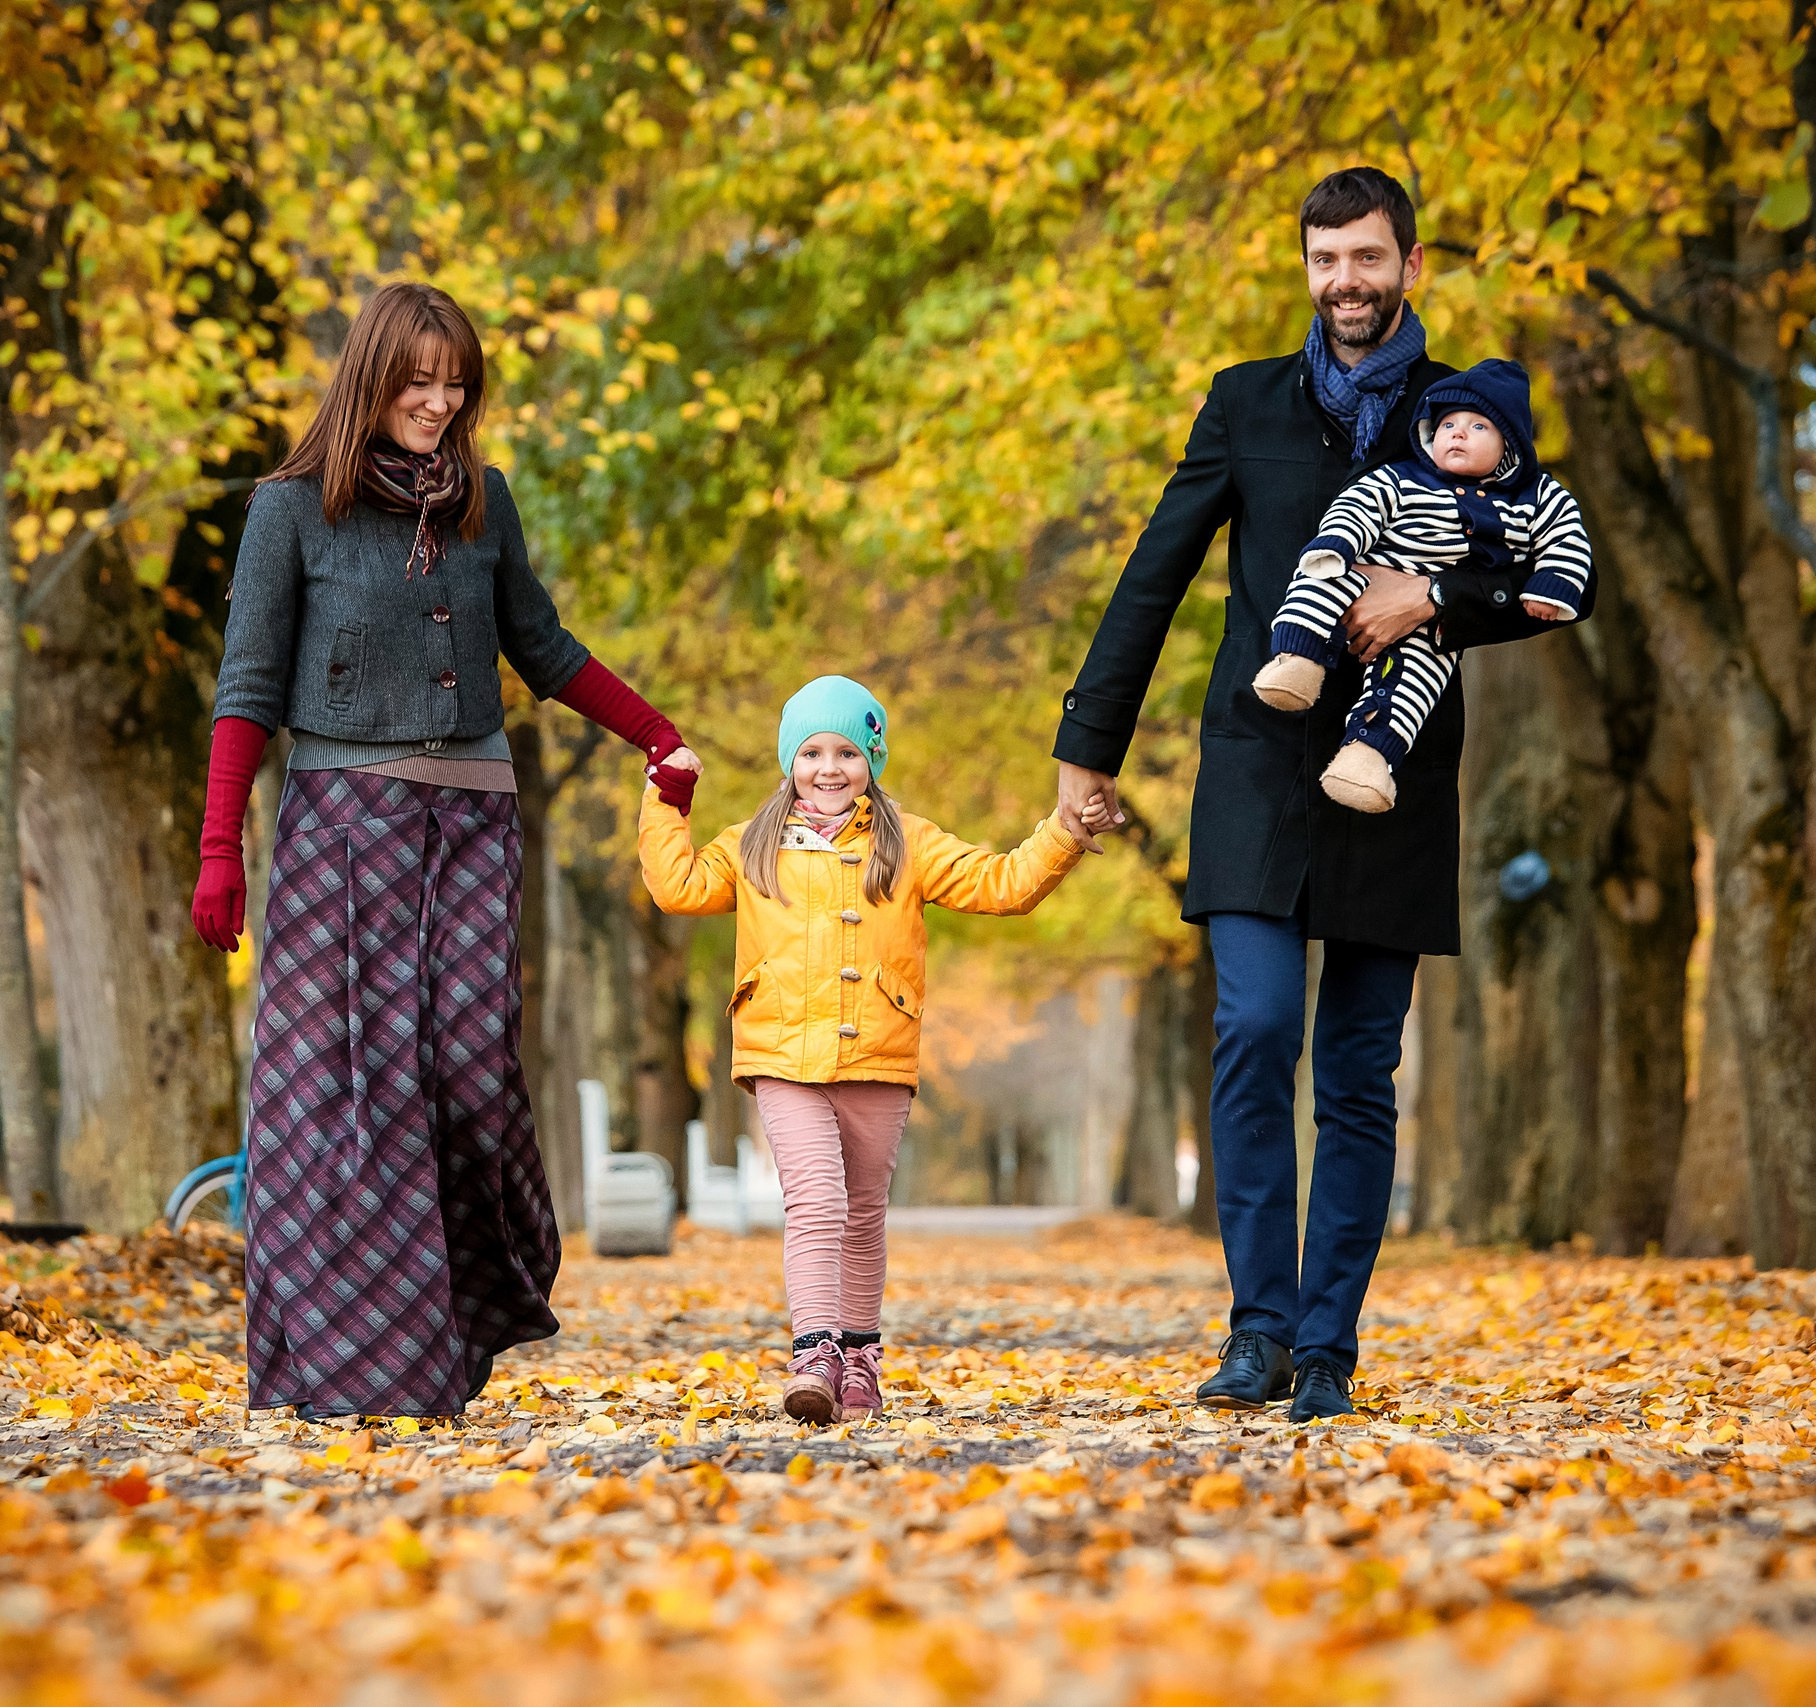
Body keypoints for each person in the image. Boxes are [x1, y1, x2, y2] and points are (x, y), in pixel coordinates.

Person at [1052, 169, 1591, 1423]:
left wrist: (1434, 600)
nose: (1344, 282)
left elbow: (1552, 572)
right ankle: (1256, 1332)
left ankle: (1328, 1347)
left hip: (1391, 771)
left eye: (1366, 258)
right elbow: (1154, 571)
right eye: (1323, 260)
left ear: (1411, 265)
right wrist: (1090, 741)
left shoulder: (1472, 418)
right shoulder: (1244, 404)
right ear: (1306, 269)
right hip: (1254, 758)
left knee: (1356, 1068)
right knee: (1250, 1031)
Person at [190, 280, 700, 1424]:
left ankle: (472, 1308)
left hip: (473, 824)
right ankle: (363, 1364)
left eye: (454, 379)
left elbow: (545, 646)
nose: (439, 399)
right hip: (337, 826)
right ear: (371, 378)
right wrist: (219, 846)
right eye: (417, 380)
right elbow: (247, 689)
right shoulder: (288, 512)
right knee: (344, 1095)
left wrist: (654, 733)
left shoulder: (485, 503)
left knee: (470, 1075)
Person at [638, 676, 1083, 1426]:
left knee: (865, 1211)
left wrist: (1065, 831)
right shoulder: (752, 843)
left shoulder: (907, 843)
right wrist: (667, 796)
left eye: (847, 750)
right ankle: (814, 1351)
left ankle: (861, 1360)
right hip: (782, 1054)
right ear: (789, 761)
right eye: (811, 751)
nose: (828, 766)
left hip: (878, 1051)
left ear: (872, 758)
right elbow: (676, 886)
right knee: (816, 1198)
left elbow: (1003, 884)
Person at [1252, 358, 1592, 812]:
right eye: (1448, 423)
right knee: (1320, 579)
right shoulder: (1405, 477)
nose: (1457, 433)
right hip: (1366, 571)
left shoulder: (1537, 496)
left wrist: (1550, 585)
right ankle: (1298, 656)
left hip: (1436, 625)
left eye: (1477, 427)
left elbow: (1567, 537)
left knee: (1417, 681)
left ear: (1509, 444)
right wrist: (1339, 543)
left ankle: (1367, 757)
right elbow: (1360, 505)